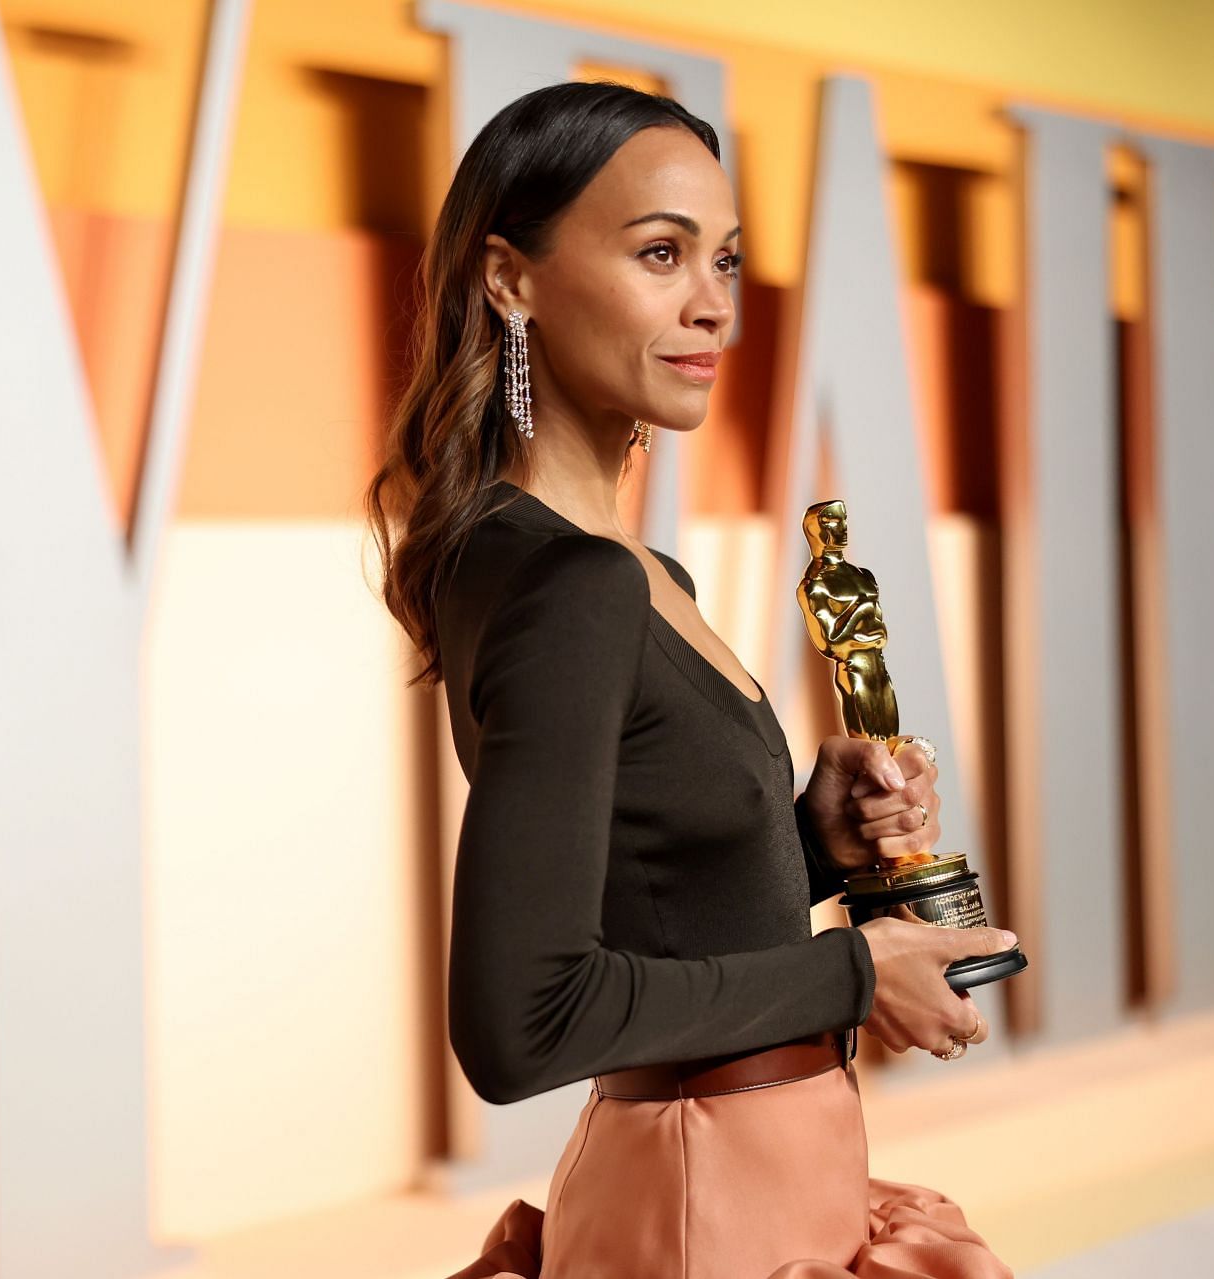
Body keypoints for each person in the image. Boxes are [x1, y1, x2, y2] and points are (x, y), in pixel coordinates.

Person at [363, 80, 1016, 1278]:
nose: (713, 305)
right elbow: (522, 1019)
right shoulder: (576, 584)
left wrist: (810, 837)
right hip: (707, 1205)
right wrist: (860, 971)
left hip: (754, 1174)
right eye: (660, 254)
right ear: (508, 279)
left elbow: (638, 895)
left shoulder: (625, 567)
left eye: (724, 262)